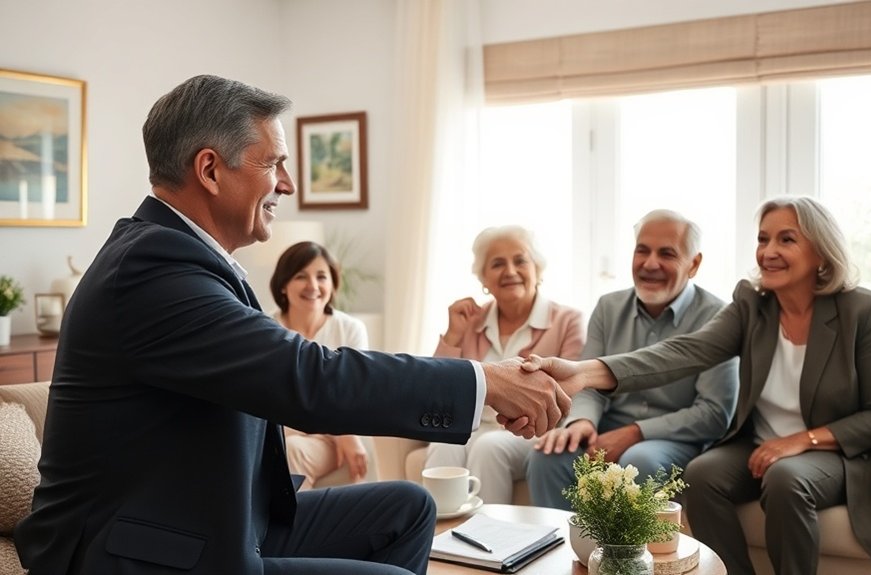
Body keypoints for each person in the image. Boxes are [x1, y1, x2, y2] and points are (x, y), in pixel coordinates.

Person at [14, 75, 571, 575]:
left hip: (214, 521)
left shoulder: (185, 257)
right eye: (273, 163)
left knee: (408, 505)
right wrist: (485, 382)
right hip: (140, 549)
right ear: (210, 169)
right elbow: (307, 376)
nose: (287, 184)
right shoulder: (151, 271)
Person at [525, 196, 871, 575]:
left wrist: (801, 441)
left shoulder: (864, 311)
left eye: (786, 240)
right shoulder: (753, 307)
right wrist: (586, 372)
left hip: (835, 451)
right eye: (762, 239)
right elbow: (681, 353)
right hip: (758, 445)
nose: (768, 251)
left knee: (786, 478)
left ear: (821, 253)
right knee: (703, 474)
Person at [527, 209, 738, 510]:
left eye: (667, 253)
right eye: (642, 250)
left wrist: (635, 433)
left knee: (638, 461)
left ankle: (626, 558)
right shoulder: (608, 307)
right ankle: (560, 554)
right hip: (608, 427)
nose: (650, 263)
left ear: (694, 264)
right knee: (550, 454)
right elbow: (587, 382)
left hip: (675, 439)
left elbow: (713, 414)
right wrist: (582, 421)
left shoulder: (718, 316)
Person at [427, 225, 585, 504]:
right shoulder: (471, 321)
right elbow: (435, 391)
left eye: (520, 260)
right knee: (443, 443)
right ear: (483, 278)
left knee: (489, 447)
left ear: (538, 269)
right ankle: (438, 538)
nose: (510, 271)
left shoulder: (567, 320)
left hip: (534, 430)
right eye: (497, 263)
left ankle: (493, 539)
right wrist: (453, 335)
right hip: (474, 425)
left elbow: (573, 389)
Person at [270, 240, 373, 490]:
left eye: (321, 277)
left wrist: (342, 435)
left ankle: (299, 528)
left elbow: (353, 396)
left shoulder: (349, 329)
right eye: (301, 276)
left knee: (293, 449)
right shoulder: (266, 329)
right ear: (283, 285)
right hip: (283, 434)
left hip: (333, 435)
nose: (313, 286)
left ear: (333, 284)